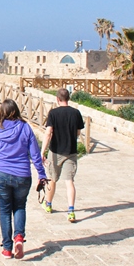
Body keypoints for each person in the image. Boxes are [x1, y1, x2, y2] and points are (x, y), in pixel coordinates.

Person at [0, 99, 47, 259]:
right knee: (20, 207)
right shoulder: (26, 128)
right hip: (23, 175)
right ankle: (19, 237)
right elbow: (35, 154)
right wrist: (41, 173)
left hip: (2, 174)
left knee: (4, 211)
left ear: (1, 113)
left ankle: (7, 248)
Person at [40, 88, 85, 223]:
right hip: (71, 152)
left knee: (52, 179)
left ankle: (48, 204)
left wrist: (42, 152)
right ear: (68, 98)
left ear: (57, 99)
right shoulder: (76, 113)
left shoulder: (53, 113)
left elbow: (48, 133)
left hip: (55, 151)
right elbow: (78, 133)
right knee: (69, 181)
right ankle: (71, 211)